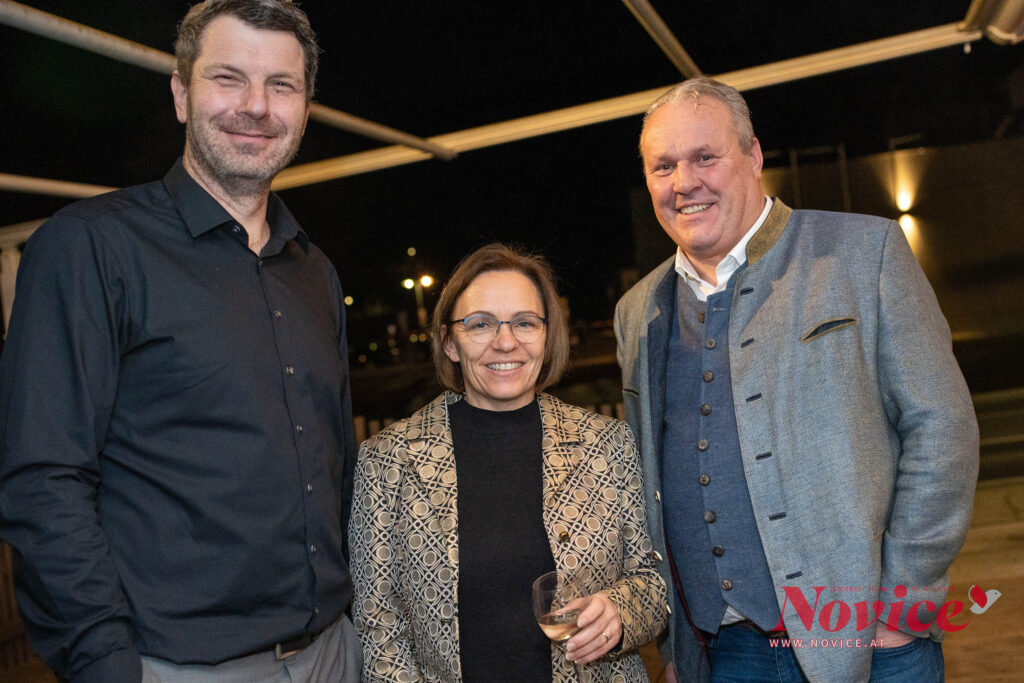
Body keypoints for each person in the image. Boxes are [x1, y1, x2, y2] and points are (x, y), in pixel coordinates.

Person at [0, 2, 361, 681]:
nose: (256, 106)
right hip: (176, 666)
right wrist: (105, 664)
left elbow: (335, 461)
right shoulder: (91, 247)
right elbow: (42, 479)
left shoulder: (314, 271)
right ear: (180, 93)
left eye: (281, 85)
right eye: (228, 78)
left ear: (305, 108)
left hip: (335, 653)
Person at [614, 77, 979, 683]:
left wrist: (904, 603)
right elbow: (648, 482)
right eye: (663, 166)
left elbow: (942, 429)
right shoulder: (636, 310)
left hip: (871, 643)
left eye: (705, 157)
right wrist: (676, 650)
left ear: (753, 156)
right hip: (720, 652)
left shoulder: (865, 253)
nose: (684, 183)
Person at [349, 243, 667, 681]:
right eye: (480, 324)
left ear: (547, 335)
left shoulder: (607, 443)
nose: (505, 342)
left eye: (525, 323)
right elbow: (377, 622)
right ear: (449, 342)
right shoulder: (388, 460)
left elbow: (653, 581)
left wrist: (620, 611)